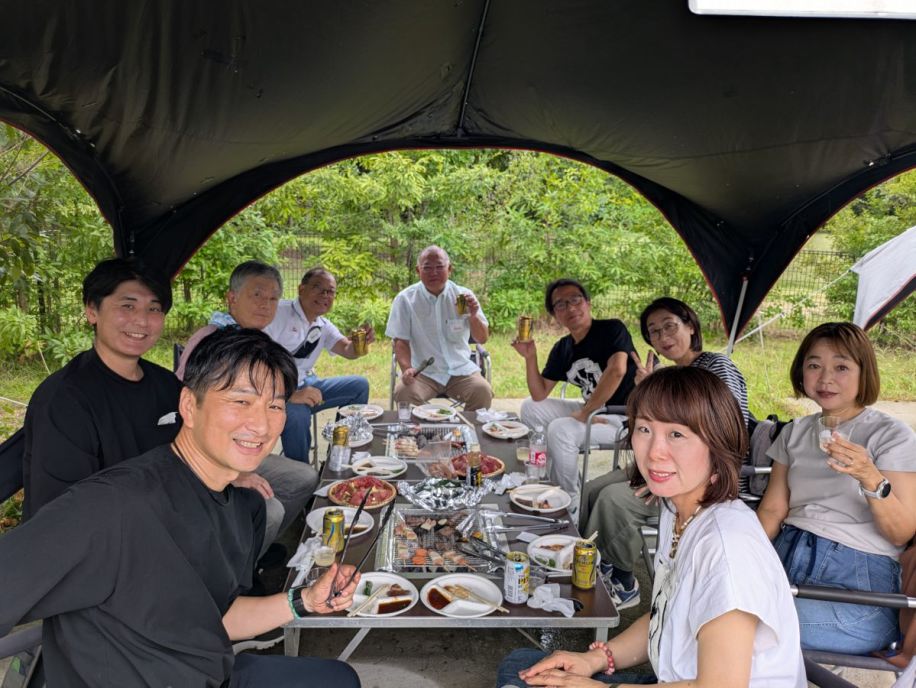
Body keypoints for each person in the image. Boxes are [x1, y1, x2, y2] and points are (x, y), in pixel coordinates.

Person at [0, 328, 362, 687]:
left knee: (338, 679)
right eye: (240, 401)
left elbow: (216, 619)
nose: (260, 424)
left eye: (275, 406)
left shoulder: (239, 508)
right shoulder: (113, 507)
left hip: (207, 673)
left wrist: (304, 600)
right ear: (189, 406)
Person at [497, 367, 805, 687]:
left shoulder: (728, 550)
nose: (655, 452)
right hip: (677, 679)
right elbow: (666, 615)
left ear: (718, 442)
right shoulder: (677, 508)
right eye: (644, 429)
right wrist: (597, 659)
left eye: (677, 434)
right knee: (520, 666)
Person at [580, 297, 749, 610]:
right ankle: (594, 562)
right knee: (591, 490)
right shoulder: (674, 374)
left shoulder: (716, 366)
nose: (663, 336)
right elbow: (649, 431)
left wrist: (667, 480)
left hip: (707, 482)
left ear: (691, 326)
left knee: (615, 499)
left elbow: (728, 432)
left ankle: (623, 581)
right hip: (668, 466)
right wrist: (647, 393)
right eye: (654, 332)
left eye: (670, 326)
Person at [757, 322, 916, 654]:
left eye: (841, 367)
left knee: (747, 626)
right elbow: (772, 510)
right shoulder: (794, 432)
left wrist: (870, 477)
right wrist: (745, 553)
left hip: (859, 584)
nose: (825, 378)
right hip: (786, 558)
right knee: (716, 606)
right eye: (814, 365)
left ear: (863, 373)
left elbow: (901, 533)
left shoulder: (891, 435)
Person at [21, 257, 181, 519]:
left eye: (154, 308)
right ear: (92, 311)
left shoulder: (168, 385)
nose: (142, 320)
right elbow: (61, 513)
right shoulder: (64, 400)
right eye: (128, 306)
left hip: (168, 515)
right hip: (100, 531)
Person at [177, 260, 319, 554]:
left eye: (273, 298)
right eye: (257, 295)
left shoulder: (257, 340)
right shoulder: (211, 340)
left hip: (240, 449)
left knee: (304, 478)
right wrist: (235, 474)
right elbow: (179, 411)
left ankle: (255, 552)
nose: (266, 304)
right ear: (232, 297)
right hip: (205, 458)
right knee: (271, 510)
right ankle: (235, 569)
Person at [512, 278, 636, 515]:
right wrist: (530, 357)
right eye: (561, 304)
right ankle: (550, 478)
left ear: (588, 303)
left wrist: (586, 411)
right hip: (594, 410)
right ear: (555, 315)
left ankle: (569, 502)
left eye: (576, 300)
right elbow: (539, 394)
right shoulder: (563, 347)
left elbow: (617, 370)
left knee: (561, 430)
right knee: (530, 407)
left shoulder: (611, 329)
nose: (570, 307)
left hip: (626, 416)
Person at [264, 266, 372, 462]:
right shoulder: (278, 313)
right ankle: (301, 473)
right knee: (296, 415)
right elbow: (256, 363)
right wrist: (288, 394)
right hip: (272, 391)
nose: (325, 295)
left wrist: (359, 343)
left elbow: (346, 349)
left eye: (330, 291)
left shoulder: (322, 325)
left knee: (359, 386)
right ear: (301, 289)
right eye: (318, 288)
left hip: (305, 384)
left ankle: (338, 456)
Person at [386, 245, 493, 411]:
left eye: (439, 267)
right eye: (427, 268)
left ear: (449, 269)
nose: (434, 272)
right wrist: (407, 369)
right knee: (403, 393)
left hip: (460, 370)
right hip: (423, 372)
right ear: (418, 270)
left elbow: (482, 338)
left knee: (482, 390)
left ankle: (468, 427)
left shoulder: (463, 296)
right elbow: (400, 341)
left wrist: (473, 315)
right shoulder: (405, 299)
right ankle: (420, 427)